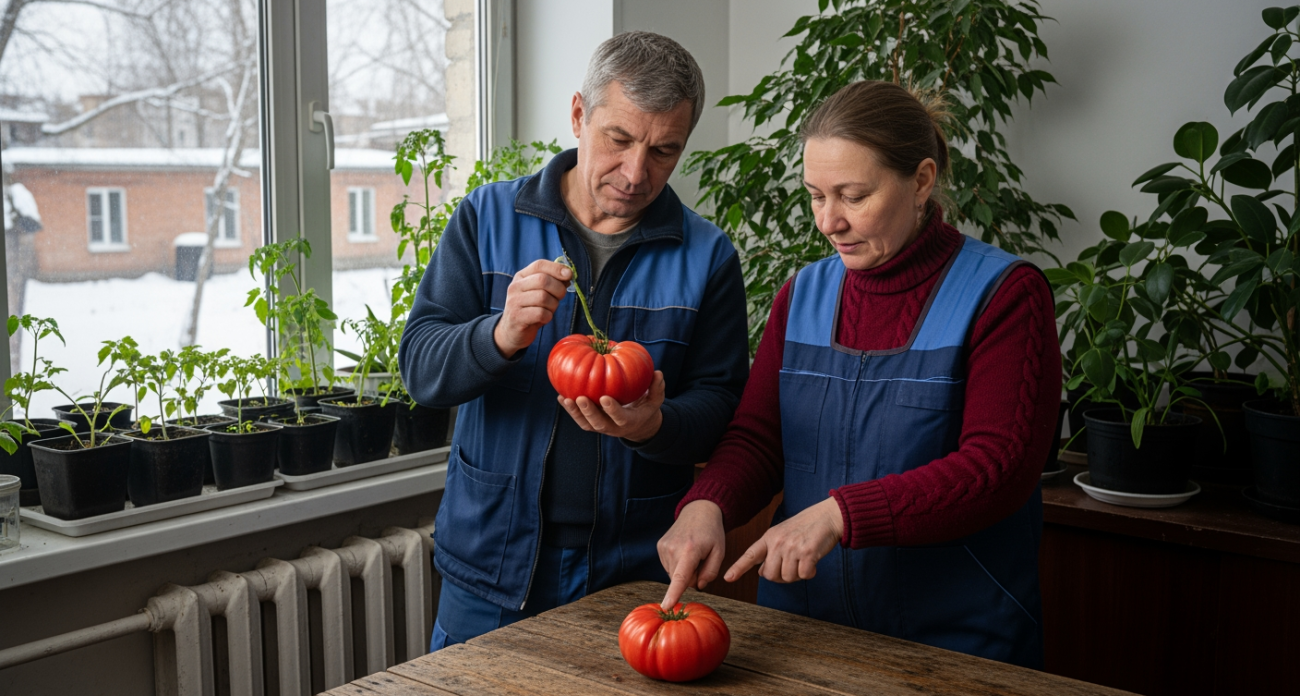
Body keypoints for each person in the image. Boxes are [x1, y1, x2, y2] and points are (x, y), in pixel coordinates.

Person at [656, 80, 1061, 669]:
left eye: (853, 196)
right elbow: (759, 437)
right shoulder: (802, 294)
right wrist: (708, 504)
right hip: (802, 631)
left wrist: (841, 513)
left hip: (955, 642)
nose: (829, 221)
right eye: (816, 196)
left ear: (921, 181)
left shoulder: (1004, 294)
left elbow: (998, 468)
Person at [399, 31, 750, 651]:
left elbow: (722, 408)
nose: (636, 173)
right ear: (579, 114)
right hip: (489, 566)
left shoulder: (708, 256)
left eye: (664, 151)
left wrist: (654, 426)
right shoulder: (486, 219)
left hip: (632, 573)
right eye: (619, 139)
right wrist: (500, 334)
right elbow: (422, 371)